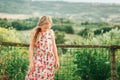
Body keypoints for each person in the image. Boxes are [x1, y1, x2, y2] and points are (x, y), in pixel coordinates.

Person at [25, 15, 59, 80]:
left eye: (47, 28)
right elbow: (31, 48)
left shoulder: (51, 32)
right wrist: (31, 62)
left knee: (47, 77)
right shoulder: (35, 33)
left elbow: (54, 46)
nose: (46, 30)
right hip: (39, 59)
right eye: (44, 28)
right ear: (40, 25)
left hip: (50, 59)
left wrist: (57, 59)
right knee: (35, 76)